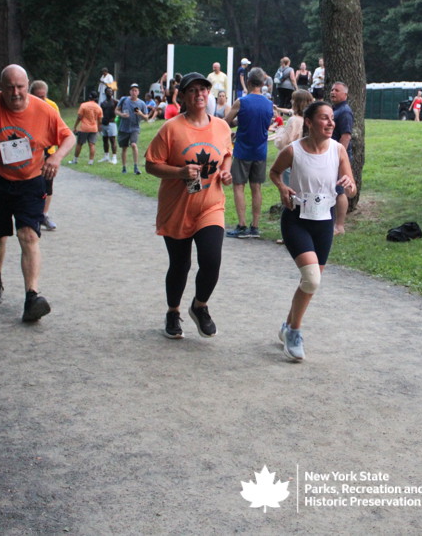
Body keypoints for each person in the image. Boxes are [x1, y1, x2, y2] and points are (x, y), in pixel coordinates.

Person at [0, 64, 75, 322]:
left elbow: (69, 137)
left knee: (28, 235)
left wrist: (56, 158)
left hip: (30, 182)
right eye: (9, 87)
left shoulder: (44, 110)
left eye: (20, 87)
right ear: (1, 87)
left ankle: (32, 297)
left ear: (27, 86)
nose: (15, 93)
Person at [145, 72, 233, 340]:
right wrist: (180, 173)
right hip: (177, 207)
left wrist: (226, 171)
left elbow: (227, 154)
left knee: (211, 260)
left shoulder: (221, 126)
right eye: (192, 90)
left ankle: (200, 306)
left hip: (210, 206)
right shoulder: (171, 128)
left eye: (203, 89)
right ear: (182, 96)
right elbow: (151, 165)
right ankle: (173, 312)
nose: (199, 94)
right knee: (180, 265)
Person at [270, 100, 357, 361]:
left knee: (310, 282)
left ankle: (288, 325)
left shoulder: (338, 150)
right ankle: (295, 333)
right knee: (311, 279)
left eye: (332, 118)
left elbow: (351, 188)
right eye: (324, 118)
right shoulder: (293, 150)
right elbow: (274, 172)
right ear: (309, 122)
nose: (331, 122)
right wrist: (282, 188)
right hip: (296, 220)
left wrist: (349, 185)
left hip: (324, 222)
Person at [224, 67, 275, 239]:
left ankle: (242, 225)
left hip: (242, 150)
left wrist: (237, 125)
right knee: (256, 187)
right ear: (262, 83)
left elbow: (226, 122)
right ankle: (255, 226)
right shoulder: (269, 104)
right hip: (260, 151)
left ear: (248, 82)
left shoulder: (241, 102)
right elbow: (265, 124)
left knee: (239, 186)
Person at [30, 80, 62, 231]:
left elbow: (58, 128)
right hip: (31, 152)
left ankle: (44, 215)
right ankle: (31, 214)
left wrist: (57, 151)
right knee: (31, 184)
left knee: (48, 183)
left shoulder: (52, 106)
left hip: (49, 151)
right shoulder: (25, 106)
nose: (41, 100)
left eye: (43, 97)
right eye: (38, 97)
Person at [329, 81, 353, 236]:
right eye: (332, 89)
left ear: (345, 94)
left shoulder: (344, 111)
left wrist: (339, 156)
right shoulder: (335, 109)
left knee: (339, 191)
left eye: (337, 90)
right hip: (331, 156)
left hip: (338, 157)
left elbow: (346, 136)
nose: (333, 92)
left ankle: (339, 226)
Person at [116, 83, 149, 175]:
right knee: (124, 148)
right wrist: (122, 114)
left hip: (135, 128)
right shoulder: (124, 100)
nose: (134, 92)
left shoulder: (141, 103)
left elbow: (146, 118)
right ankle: (124, 168)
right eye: (132, 90)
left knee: (134, 145)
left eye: (135, 90)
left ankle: (136, 167)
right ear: (130, 91)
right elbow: (116, 110)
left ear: (138, 92)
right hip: (123, 127)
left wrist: (140, 114)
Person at [69, 90, 103, 166]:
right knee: (92, 144)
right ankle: (91, 161)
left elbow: (79, 117)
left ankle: (75, 160)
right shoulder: (98, 107)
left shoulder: (84, 105)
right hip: (93, 128)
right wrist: (98, 129)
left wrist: (75, 126)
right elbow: (100, 120)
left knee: (79, 144)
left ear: (89, 97)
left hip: (84, 128)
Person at [98, 88, 118, 164]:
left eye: (111, 92)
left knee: (112, 140)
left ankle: (114, 157)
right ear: (105, 93)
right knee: (105, 140)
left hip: (112, 123)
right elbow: (101, 114)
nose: (110, 93)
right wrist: (100, 124)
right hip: (104, 123)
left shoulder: (115, 102)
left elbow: (119, 110)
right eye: (108, 92)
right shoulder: (103, 103)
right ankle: (106, 156)